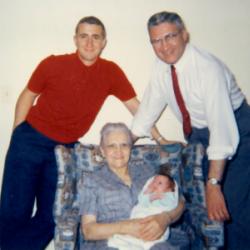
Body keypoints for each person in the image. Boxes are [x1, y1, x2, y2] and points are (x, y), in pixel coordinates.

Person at [0, 16, 165, 250]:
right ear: (75, 39)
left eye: (95, 37)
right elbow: (28, 95)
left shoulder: (111, 71)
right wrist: (18, 135)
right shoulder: (52, 64)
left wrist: (158, 138)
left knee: (53, 217)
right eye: (84, 36)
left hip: (64, 151)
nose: (89, 43)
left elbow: (136, 107)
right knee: (14, 212)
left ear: (104, 42)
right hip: (30, 140)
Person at [131, 11, 250, 249]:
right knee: (204, 208)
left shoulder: (208, 69)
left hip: (236, 129)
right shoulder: (161, 67)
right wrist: (123, 145)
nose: (164, 47)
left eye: (170, 37)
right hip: (199, 135)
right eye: (156, 41)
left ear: (184, 35)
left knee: (230, 208)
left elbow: (222, 129)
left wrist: (214, 183)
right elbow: (147, 111)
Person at [80, 122, 186, 250]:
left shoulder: (148, 171)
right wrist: (126, 227)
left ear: (130, 148)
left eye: (124, 145)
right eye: (111, 146)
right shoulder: (92, 180)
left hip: (152, 240)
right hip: (110, 242)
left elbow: (180, 201)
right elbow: (88, 230)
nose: (118, 151)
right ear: (102, 150)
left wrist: (165, 218)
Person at [108, 168, 179, 250]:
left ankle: (145, 245)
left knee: (151, 241)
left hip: (156, 226)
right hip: (139, 221)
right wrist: (148, 193)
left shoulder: (168, 197)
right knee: (124, 238)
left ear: (169, 189)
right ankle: (129, 244)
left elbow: (172, 205)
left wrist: (163, 196)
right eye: (154, 181)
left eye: (160, 183)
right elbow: (141, 202)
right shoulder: (149, 194)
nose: (155, 184)